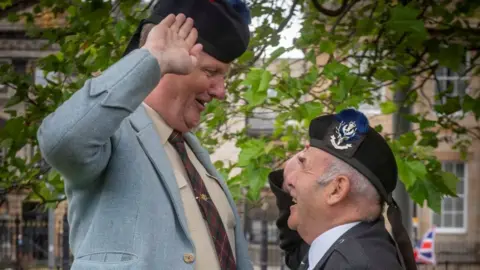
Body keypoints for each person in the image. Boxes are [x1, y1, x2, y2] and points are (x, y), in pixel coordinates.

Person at [36, 0, 252, 269]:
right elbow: (61, 142)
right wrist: (152, 59)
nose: (221, 91)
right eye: (211, 72)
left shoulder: (194, 156)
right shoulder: (111, 132)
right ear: (167, 65)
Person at [269, 109, 417, 270]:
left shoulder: (356, 265)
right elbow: (294, 248)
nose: (289, 180)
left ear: (337, 190)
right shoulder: (351, 248)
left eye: (303, 164)